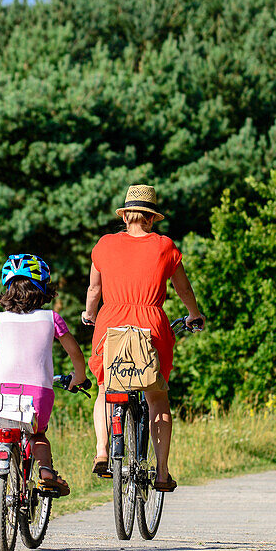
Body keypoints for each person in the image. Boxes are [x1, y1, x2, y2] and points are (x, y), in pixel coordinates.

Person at [82, 184, 204, 492]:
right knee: (157, 398)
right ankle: (162, 472)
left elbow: (94, 291)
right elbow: (184, 290)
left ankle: (102, 450)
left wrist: (89, 315)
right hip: (151, 326)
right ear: (150, 219)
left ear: (125, 217)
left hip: (110, 325)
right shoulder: (164, 246)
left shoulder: (105, 245)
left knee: (105, 389)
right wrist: (194, 315)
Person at [0, 253, 88, 521]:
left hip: (2, 391)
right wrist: (79, 376)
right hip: (38, 391)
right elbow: (75, 354)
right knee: (37, 435)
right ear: (43, 286)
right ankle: (47, 472)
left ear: (8, 287)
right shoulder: (52, 318)